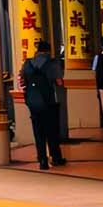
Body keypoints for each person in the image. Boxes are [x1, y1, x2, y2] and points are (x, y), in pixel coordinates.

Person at [19, 39, 66, 170]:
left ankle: (42, 160)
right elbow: (59, 82)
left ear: (37, 51)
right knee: (52, 130)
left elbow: (22, 80)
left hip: (33, 103)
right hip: (49, 102)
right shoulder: (52, 63)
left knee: (38, 132)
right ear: (48, 51)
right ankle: (56, 157)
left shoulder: (28, 63)